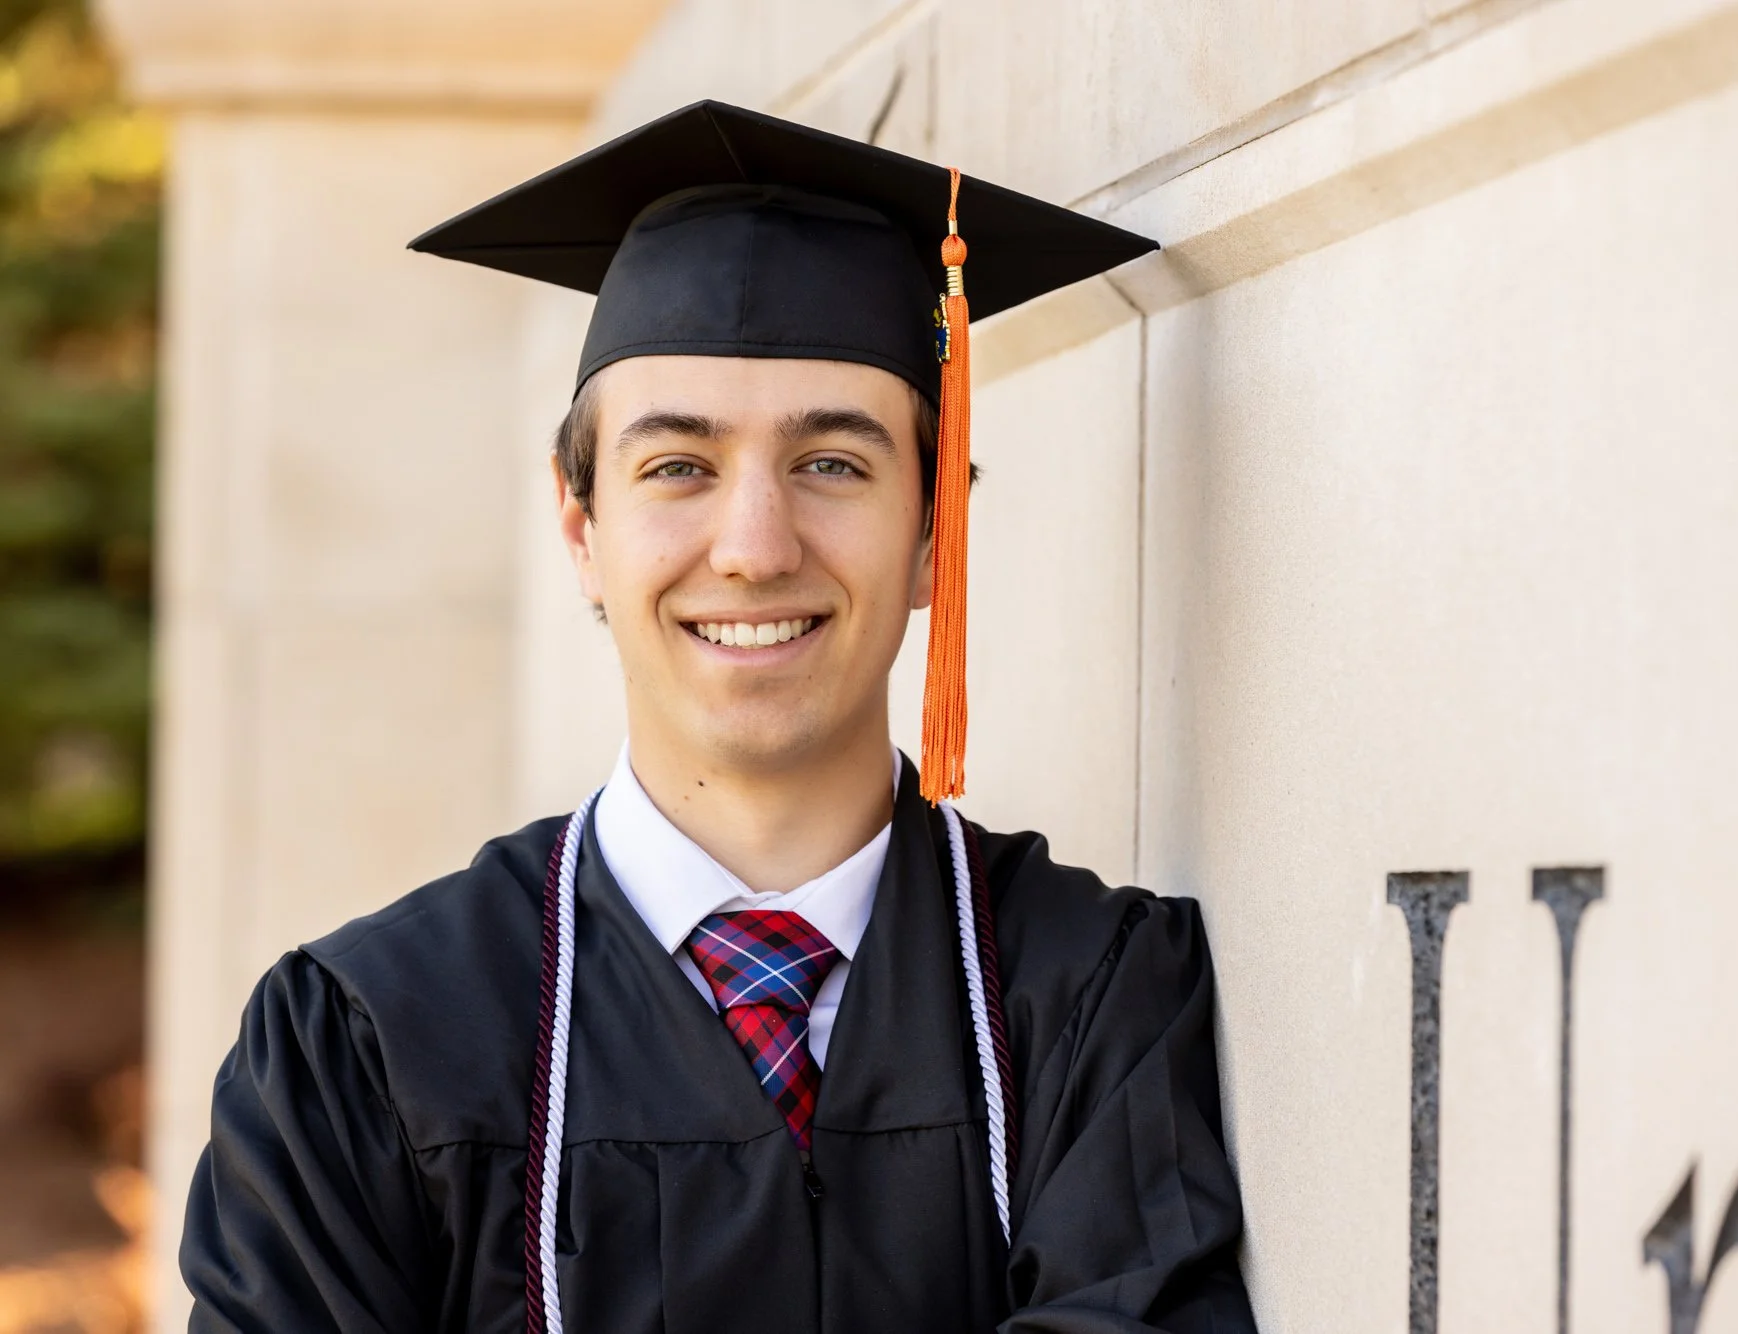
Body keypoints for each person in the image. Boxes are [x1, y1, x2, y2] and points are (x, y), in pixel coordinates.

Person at [181, 101, 1255, 1333]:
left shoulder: (1090, 998)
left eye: (832, 465)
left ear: (932, 530)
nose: (752, 549)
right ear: (582, 527)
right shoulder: (365, 1041)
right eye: (677, 467)